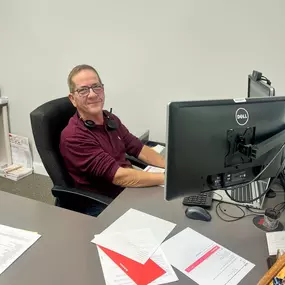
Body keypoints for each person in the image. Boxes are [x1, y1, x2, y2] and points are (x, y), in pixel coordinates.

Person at [60, 64, 165, 216]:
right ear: (73, 99)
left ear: (103, 89)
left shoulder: (109, 119)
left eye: (96, 87)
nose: (92, 94)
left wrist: (170, 169)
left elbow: (138, 148)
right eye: (83, 90)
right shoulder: (74, 136)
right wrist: (165, 179)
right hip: (104, 203)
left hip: (127, 189)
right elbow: (118, 176)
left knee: (174, 204)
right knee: (165, 215)